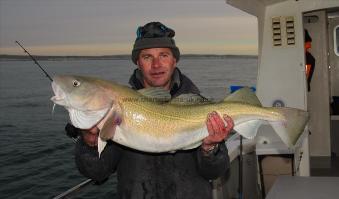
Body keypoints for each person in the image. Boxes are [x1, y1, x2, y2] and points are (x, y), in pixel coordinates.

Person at [69, 22, 233, 199]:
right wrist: (90, 142)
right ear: (138, 63)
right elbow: (97, 172)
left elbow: (215, 172)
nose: (156, 65)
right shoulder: (118, 107)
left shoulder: (198, 106)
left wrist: (210, 148)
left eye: (163, 55)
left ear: (174, 60)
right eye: (147, 57)